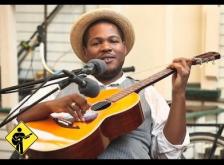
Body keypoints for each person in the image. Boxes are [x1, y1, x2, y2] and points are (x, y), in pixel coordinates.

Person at [7, 8, 191, 159]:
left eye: (113, 41)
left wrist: (179, 93)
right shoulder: (61, 85)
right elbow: (16, 138)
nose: (106, 47)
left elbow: (168, 154)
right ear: (85, 52)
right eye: (97, 43)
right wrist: (51, 106)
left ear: (124, 48)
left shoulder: (146, 92)